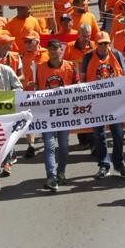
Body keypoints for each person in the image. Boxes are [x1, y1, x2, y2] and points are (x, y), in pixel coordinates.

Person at [81, 32, 125, 179]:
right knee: (99, 135)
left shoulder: (117, 54)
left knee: (118, 135)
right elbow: (83, 80)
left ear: (110, 43)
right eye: (100, 43)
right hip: (96, 102)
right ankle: (104, 164)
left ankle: (119, 164)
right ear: (96, 44)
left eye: (106, 43)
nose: (103, 46)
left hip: (115, 102)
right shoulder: (88, 57)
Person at [34, 40, 77, 190]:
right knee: (49, 146)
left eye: (55, 49)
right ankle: (51, 177)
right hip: (47, 115)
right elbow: (36, 89)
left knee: (64, 146)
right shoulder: (40, 68)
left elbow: (78, 88)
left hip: (65, 114)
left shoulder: (70, 67)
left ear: (61, 50)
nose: (52, 52)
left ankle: (61, 172)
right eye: (50, 49)